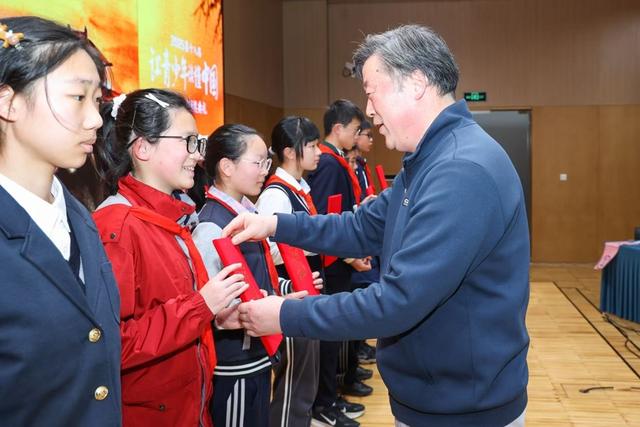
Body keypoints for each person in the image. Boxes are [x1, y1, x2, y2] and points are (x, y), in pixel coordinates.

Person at [225, 24, 530, 427]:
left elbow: (397, 302)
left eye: (372, 92)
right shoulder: (431, 159)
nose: (368, 110)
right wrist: (274, 224)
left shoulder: (459, 169)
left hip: (462, 409)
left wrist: (283, 314)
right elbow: (360, 228)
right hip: (439, 397)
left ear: (416, 83)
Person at [92, 88, 248, 427]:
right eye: (188, 141)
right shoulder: (117, 227)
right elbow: (112, 343)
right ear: (143, 148)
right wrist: (200, 307)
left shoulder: (170, 219)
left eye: (198, 142)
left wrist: (216, 316)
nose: (198, 155)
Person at [0, 16, 121, 425]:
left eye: (98, 101)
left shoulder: (81, 220)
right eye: (78, 97)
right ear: (8, 103)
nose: (96, 119)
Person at [192, 123, 321, 427]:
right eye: (258, 162)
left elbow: (256, 276)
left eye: (267, 162)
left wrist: (287, 289)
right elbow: (213, 302)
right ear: (227, 167)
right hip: (234, 361)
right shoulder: (211, 225)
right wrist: (278, 301)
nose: (265, 170)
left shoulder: (244, 213)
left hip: (256, 353)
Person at [255, 116, 330, 427]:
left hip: (304, 288)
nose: (318, 152)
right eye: (311, 146)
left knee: (304, 382)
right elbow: (267, 248)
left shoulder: (298, 189)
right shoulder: (275, 194)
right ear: (289, 152)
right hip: (289, 292)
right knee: (293, 384)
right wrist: (309, 245)